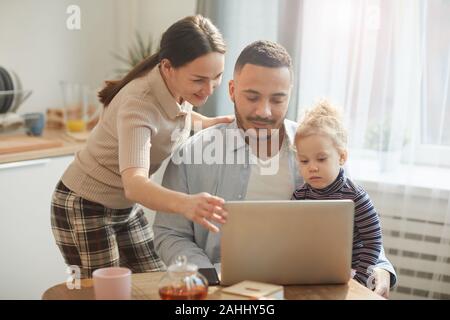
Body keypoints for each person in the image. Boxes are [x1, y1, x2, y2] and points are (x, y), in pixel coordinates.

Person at [153, 40, 397, 298]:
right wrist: (209, 276)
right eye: (252, 96)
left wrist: (379, 268)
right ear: (233, 90)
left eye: (277, 99)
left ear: (289, 95)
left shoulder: (317, 147)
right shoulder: (192, 153)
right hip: (221, 292)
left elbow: (354, 223)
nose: (264, 111)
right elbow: (169, 233)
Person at [51, 15, 233, 278]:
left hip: (123, 208)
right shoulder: (140, 103)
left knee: (153, 284)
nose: (208, 89)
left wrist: (206, 122)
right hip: (84, 204)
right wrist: (185, 204)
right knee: (110, 294)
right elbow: (135, 184)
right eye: (199, 80)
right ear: (168, 67)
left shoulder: (174, 87)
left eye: (216, 77)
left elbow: (171, 115)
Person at [291, 100, 383, 288]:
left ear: (341, 157)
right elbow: (293, 239)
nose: (313, 167)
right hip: (314, 273)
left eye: (321, 158)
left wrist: (360, 281)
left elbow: (373, 242)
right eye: (304, 160)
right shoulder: (299, 196)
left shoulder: (355, 196)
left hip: (353, 274)